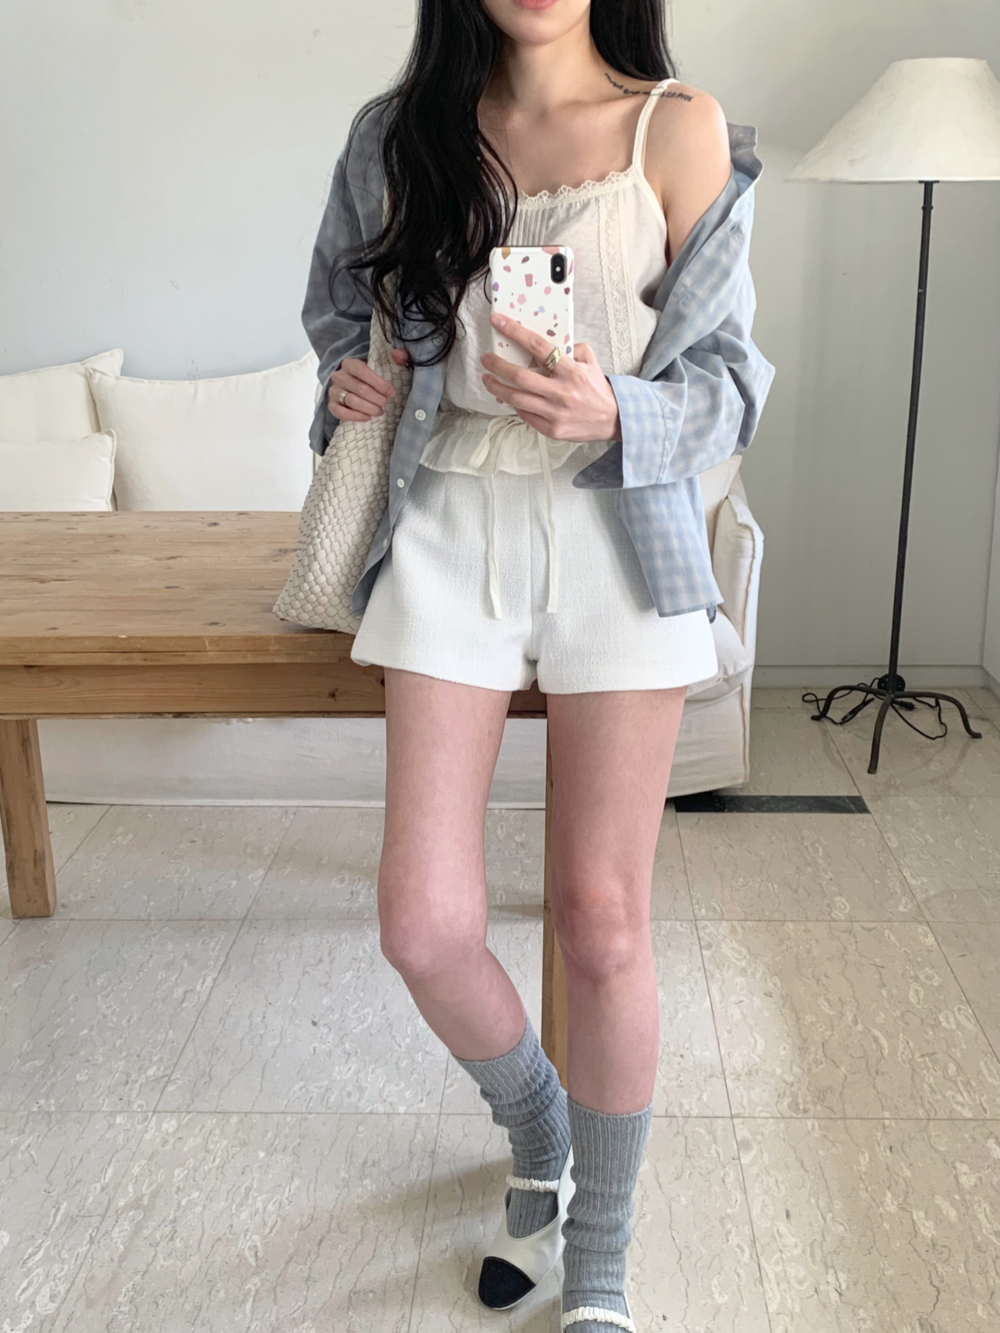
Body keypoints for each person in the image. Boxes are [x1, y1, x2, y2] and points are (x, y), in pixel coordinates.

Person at [301, 2, 774, 1328]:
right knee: (423, 925)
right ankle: (540, 1131)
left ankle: (600, 1254)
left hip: (616, 529)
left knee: (603, 922)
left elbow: (735, 381)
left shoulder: (677, 129)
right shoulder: (399, 135)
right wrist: (351, 380)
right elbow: (339, 310)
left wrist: (620, 407)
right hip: (447, 522)